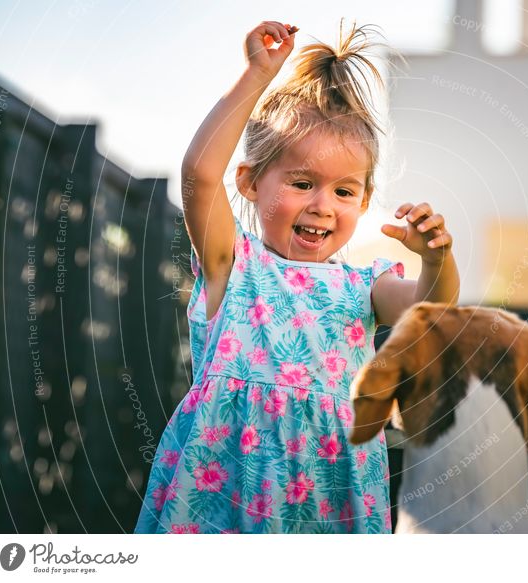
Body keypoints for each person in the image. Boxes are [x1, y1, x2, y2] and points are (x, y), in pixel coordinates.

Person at [134, 19, 460, 534]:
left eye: (344, 192)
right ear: (249, 182)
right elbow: (199, 174)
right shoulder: (234, 266)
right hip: (224, 492)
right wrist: (256, 77)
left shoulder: (364, 287)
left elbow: (431, 309)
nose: (322, 206)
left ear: (365, 201)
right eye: (303, 182)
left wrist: (438, 260)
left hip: (328, 494)